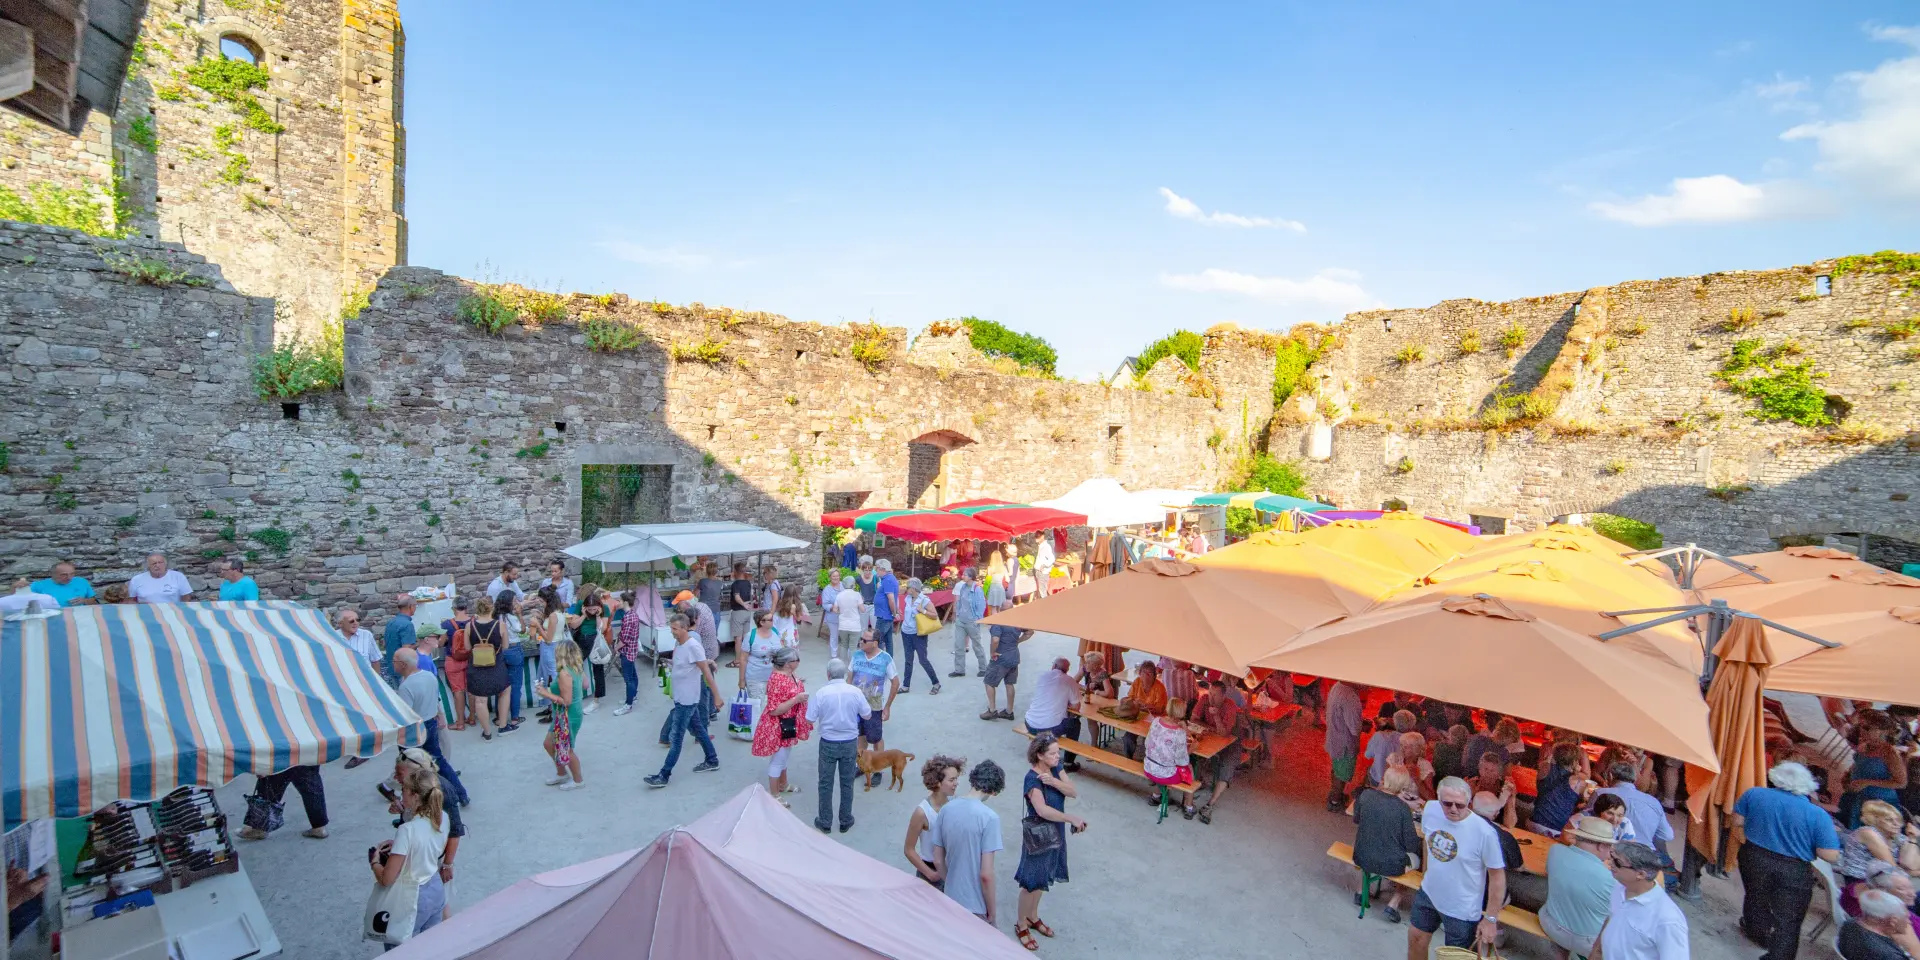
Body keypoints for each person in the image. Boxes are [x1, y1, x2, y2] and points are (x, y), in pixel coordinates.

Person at [1735, 760, 1842, 960]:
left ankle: (1757, 931)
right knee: (1789, 918)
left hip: (1753, 855)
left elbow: (1737, 821)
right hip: (1793, 867)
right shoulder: (1817, 814)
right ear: (1808, 786)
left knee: (1755, 895)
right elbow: (1829, 855)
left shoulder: (1754, 793)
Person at [1407, 777, 1506, 959]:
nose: (1453, 809)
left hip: (1462, 909)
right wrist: (1426, 874)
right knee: (1415, 938)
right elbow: (1427, 841)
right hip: (1429, 894)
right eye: (1447, 803)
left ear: (1469, 803)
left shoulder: (1484, 833)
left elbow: (1497, 877)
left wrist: (1491, 919)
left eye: (1460, 805)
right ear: (1438, 799)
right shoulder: (1431, 809)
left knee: (1456, 956)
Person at [367, 765, 450, 948]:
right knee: (431, 947)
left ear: (416, 796)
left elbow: (387, 879)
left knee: (399, 950)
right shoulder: (442, 817)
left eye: (404, 790)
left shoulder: (407, 830)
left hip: (412, 898)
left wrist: (375, 861)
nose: (400, 794)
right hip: (435, 889)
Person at [1014, 733, 1083, 951]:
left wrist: (1053, 781)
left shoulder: (1055, 768)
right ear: (1040, 755)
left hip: (1055, 831)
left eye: (1058, 752)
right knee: (1031, 882)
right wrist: (1069, 818)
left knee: (1043, 877)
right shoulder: (1032, 779)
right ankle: (1021, 923)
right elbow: (1042, 810)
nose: (1057, 756)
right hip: (1039, 835)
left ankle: (1033, 916)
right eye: (1052, 753)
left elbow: (1072, 791)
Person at [387, 748, 464, 928]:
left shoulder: (443, 790)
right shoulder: (417, 788)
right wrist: (403, 808)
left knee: (435, 908)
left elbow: (455, 832)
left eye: (400, 773)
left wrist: (447, 864)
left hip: (428, 861)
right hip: (423, 856)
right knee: (438, 905)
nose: (396, 778)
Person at [647, 613, 725, 788]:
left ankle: (664, 775)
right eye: (671, 628)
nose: (672, 631)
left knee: (676, 738)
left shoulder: (693, 646)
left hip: (687, 701)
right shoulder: (679, 645)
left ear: (684, 628)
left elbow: (706, 673)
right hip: (682, 698)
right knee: (699, 731)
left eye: (675, 629)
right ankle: (712, 760)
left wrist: (717, 697)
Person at [392, 647, 470, 806]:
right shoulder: (429, 676)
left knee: (410, 767)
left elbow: (405, 715)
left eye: (394, 661)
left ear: (403, 664)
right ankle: (461, 794)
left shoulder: (405, 687)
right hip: (430, 723)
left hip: (413, 730)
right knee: (438, 759)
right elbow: (435, 699)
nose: (392, 663)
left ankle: (417, 803)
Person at [932, 760, 1005, 926]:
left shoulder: (946, 809)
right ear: (994, 791)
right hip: (975, 904)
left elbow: (937, 860)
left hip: (951, 897)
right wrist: (992, 912)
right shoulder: (990, 818)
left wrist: (951, 883)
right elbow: (986, 875)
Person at [1537, 816, 1620, 959]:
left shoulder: (1555, 851)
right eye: (1610, 845)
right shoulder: (1610, 879)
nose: (1611, 850)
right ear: (1601, 846)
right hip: (1587, 943)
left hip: (1550, 924)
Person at [806, 657, 871, 834]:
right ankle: (845, 819)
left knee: (825, 783)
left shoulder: (821, 693)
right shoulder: (855, 692)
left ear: (828, 674)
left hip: (828, 742)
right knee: (847, 782)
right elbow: (867, 714)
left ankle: (825, 821)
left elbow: (809, 718)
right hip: (849, 742)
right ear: (844, 674)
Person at [1593, 841, 1689, 960]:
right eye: (1612, 857)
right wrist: (1597, 951)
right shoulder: (1620, 886)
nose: (1610, 863)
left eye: (1617, 862)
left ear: (1640, 874)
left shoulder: (1668, 920)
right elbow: (1612, 918)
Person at [1352, 767, 1424, 923]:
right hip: (1391, 865)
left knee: (1371, 844)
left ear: (1385, 779)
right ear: (1403, 786)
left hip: (1361, 855)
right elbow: (1411, 844)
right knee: (1417, 860)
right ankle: (1393, 904)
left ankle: (1360, 891)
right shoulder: (1402, 808)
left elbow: (1356, 819)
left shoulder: (1366, 795)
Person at [751, 647, 810, 806]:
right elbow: (774, 710)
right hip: (779, 725)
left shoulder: (789, 674)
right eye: (797, 659)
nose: (799, 661)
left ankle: (783, 784)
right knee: (778, 760)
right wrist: (797, 699)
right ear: (788, 664)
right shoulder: (777, 680)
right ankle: (774, 794)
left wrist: (798, 685)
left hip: (788, 723)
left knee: (784, 757)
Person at [1184, 677, 1247, 824]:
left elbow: (1224, 733)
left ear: (1223, 696)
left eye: (1215, 695)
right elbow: (1193, 719)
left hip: (1232, 740)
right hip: (1211, 736)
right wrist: (1210, 728)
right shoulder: (1204, 699)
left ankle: (1210, 804)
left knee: (1227, 766)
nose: (1211, 697)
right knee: (1195, 753)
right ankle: (1196, 785)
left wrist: (1216, 715)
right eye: (1210, 693)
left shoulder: (1230, 706)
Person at [658, 598, 720, 744]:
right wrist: (710, 662)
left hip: (682, 676)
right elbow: (699, 660)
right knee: (699, 705)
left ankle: (668, 736)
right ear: (696, 619)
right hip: (694, 676)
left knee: (685, 708)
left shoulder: (683, 635)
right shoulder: (694, 637)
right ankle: (700, 736)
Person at [1840, 800, 1920, 911]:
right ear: (1875, 820)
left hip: (1885, 880)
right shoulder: (1868, 833)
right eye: (1889, 820)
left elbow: (1910, 865)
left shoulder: (1896, 836)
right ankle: (1908, 918)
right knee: (1913, 893)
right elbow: (1891, 867)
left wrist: (1912, 839)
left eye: (1898, 820)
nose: (1896, 824)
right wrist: (1915, 873)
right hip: (1863, 883)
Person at [1595, 760, 1672, 872]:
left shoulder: (1601, 793)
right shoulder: (1654, 802)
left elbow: (1587, 819)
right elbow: (1667, 835)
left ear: (1610, 776)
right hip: (1645, 859)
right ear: (1634, 779)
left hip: (1610, 855)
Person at [1475, 791, 1541, 914]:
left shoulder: (1457, 825)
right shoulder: (1504, 838)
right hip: (1485, 898)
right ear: (1496, 813)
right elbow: (1518, 867)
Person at [850, 629, 901, 786]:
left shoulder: (885, 659)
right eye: (861, 639)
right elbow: (850, 678)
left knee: (875, 738)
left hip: (875, 707)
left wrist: (887, 707)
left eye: (865, 640)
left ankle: (877, 769)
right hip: (857, 706)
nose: (861, 642)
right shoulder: (857, 655)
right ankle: (861, 765)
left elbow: (895, 682)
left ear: (875, 643)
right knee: (860, 735)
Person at [1841, 711, 1909, 830]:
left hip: (1877, 803)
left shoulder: (1890, 754)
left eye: (1868, 728)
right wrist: (1848, 773)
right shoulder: (1864, 744)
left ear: (1883, 731)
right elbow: (1860, 763)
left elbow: (1901, 783)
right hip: (1856, 795)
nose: (1862, 730)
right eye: (1861, 726)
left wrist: (1867, 782)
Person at [905, 755, 965, 887]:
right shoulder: (922, 813)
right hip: (931, 872)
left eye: (956, 778)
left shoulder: (954, 801)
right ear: (937, 782)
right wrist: (930, 874)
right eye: (952, 780)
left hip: (952, 867)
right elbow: (909, 849)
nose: (956, 783)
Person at [539, 631, 586, 790]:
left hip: (568, 715)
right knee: (548, 744)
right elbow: (586, 685)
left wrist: (546, 693)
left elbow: (566, 701)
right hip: (566, 714)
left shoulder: (564, 673)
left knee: (567, 749)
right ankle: (561, 773)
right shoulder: (576, 668)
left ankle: (578, 780)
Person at [1022, 658, 1083, 772]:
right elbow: (1076, 707)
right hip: (1047, 730)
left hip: (1029, 723)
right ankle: (1068, 763)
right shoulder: (1069, 680)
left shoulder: (1042, 676)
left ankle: (1047, 748)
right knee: (1075, 723)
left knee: (1055, 717)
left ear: (1053, 666)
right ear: (1067, 670)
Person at [463, 596, 510, 741]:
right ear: (492, 608)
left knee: (480, 700)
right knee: (505, 691)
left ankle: (487, 733)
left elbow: (467, 648)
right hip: (496, 666)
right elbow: (506, 646)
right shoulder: (500, 625)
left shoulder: (469, 626)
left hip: (476, 667)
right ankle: (503, 726)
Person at [982, 590, 1027, 722]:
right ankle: (1009, 711)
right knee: (1010, 683)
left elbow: (995, 640)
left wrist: (992, 652)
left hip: (1001, 657)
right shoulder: (1018, 621)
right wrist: (1018, 641)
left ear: (1001, 609)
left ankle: (992, 710)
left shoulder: (998, 622)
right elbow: (1030, 632)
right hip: (1014, 656)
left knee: (989, 682)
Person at [1529, 742, 1588, 838]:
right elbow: (1581, 802)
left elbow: (1545, 763)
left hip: (1534, 822)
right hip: (1557, 830)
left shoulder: (1544, 768)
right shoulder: (1578, 780)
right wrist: (1576, 771)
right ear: (1575, 761)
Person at [1842, 889, 1920, 960]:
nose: (1909, 922)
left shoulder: (1849, 924)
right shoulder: (1889, 955)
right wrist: (1916, 952)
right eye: (1906, 918)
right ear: (1893, 921)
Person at [1325, 679, 1365, 812]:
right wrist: (1363, 726)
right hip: (1345, 743)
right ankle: (1335, 801)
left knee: (1337, 769)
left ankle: (1335, 796)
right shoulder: (1350, 697)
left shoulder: (1338, 686)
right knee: (1342, 774)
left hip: (1335, 737)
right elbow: (1355, 728)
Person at [1117, 661, 1168, 759]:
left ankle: (1149, 760)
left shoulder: (1160, 687)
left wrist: (1147, 706)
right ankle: (1128, 759)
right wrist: (1136, 704)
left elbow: (1160, 709)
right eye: (1144, 672)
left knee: (1149, 741)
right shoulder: (1137, 682)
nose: (1146, 676)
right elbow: (1130, 698)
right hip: (1137, 714)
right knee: (1128, 738)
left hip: (1154, 718)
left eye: (1150, 673)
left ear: (1154, 675)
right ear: (1140, 673)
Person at [897, 578, 940, 695]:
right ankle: (906, 685)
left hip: (918, 634)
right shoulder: (908, 598)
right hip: (906, 632)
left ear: (913, 589)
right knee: (908, 660)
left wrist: (922, 611)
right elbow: (898, 591)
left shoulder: (924, 600)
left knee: (923, 660)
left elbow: (935, 615)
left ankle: (936, 683)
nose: (906, 589)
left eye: (908, 587)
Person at [568, 590, 609, 712]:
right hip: (581, 639)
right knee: (573, 665)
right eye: (589, 609)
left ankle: (596, 700)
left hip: (595, 640)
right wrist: (584, 615)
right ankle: (574, 694)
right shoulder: (580, 605)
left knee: (598, 669)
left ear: (599, 606)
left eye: (594, 609)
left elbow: (602, 629)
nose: (591, 611)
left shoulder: (604, 608)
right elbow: (573, 625)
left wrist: (597, 616)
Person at [947, 565, 989, 678]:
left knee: (977, 645)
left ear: (971, 577)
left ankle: (984, 668)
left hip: (972, 621)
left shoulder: (977, 589)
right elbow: (959, 602)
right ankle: (959, 670)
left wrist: (977, 619)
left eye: (965, 575)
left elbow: (981, 605)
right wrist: (958, 614)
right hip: (961, 621)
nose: (962, 576)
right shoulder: (963, 587)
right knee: (959, 645)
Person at [610, 589, 647, 717]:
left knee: (628, 679)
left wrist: (615, 648)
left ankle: (628, 704)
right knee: (633, 675)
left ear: (625, 602)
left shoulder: (628, 617)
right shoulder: (632, 614)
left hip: (627, 652)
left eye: (619, 600)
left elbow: (624, 639)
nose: (618, 603)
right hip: (632, 650)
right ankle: (633, 696)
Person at [496, 591, 528, 731]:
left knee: (501, 685)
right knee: (515, 686)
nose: (517, 603)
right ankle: (514, 717)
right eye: (514, 600)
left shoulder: (496, 616)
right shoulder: (510, 617)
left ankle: (499, 717)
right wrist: (520, 614)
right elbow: (522, 630)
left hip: (500, 651)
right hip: (513, 649)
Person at [441, 598, 474, 730]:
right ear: (466, 607)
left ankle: (460, 723)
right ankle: (472, 718)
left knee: (458, 691)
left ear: (454, 608)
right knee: (471, 690)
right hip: (471, 659)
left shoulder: (446, 624)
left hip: (453, 660)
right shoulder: (474, 621)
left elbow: (440, 643)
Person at [737, 608, 783, 704]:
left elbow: (782, 653)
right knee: (758, 706)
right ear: (761, 622)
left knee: (773, 705)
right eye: (770, 620)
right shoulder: (750, 636)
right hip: (755, 678)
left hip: (774, 677)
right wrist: (741, 680)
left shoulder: (776, 632)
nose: (773, 621)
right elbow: (743, 659)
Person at [128, 552, 194, 603]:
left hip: (173, 612)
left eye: (160, 562)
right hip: (146, 612)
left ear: (165, 564)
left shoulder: (178, 576)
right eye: (154, 563)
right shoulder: (137, 579)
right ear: (148, 566)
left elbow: (186, 597)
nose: (157, 565)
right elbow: (132, 600)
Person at [383, 596, 418, 683]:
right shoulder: (407, 624)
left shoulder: (391, 622)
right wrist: (420, 643)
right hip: (403, 670)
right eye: (415, 606)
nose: (415, 608)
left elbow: (385, 643)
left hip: (392, 666)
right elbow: (406, 650)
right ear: (411, 607)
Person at [30, 560, 94, 606]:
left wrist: (84, 601)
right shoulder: (37, 585)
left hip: (79, 616)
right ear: (52, 574)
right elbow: (26, 603)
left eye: (72, 574)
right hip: (52, 618)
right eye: (64, 575)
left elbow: (93, 601)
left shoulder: (81, 581)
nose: (69, 578)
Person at [832, 574, 864, 660]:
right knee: (853, 647)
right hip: (855, 626)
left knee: (843, 645)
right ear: (853, 584)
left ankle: (841, 664)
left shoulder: (839, 595)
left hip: (843, 625)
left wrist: (841, 612)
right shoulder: (857, 595)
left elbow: (834, 609)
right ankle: (852, 665)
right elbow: (862, 610)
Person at [873, 558, 901, 657]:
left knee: (878, 640)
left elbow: (891, 599)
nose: (876, 571)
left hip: (884, 616)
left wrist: (894, 613)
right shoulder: (888, 578)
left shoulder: (887, 580)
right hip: (886, 615)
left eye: (877, 568)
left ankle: (881, 660)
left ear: (882, 569)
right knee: (888, 640)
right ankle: (889, 660)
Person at [727, 561, 756, 649]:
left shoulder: (735, 584)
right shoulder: (748, 583)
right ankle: (746, 655)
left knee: (738, 639)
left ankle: (738, 658)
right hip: (747, 612)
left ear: (735, 571)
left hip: (738, 612)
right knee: (746, 637)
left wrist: (743, 604)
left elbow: (737, 597)